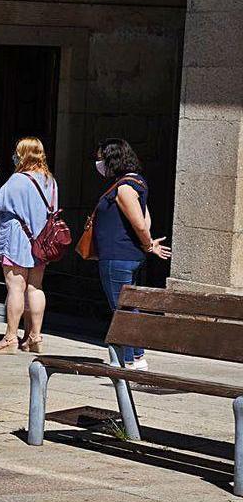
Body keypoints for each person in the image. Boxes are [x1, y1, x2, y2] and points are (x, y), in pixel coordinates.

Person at [92, 138, 170, 370]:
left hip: (118, 256)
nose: (98, 163)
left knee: (121, 309)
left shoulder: (124, 187)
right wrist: (148, 244)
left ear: (111, 159)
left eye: (100, 158)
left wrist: (148, 244)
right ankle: (135, 357)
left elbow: (139, 223)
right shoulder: (137, 183)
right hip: (127, 256)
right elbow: (145, 219)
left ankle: (130, 360)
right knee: (127, 307)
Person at [0, 137, 58, 354]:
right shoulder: (51, 181)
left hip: (18, 241)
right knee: (36, 287)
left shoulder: (19, 179)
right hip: (42, 242)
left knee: (15, 288)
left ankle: (10, 338)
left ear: (22, 155)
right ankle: (34, 337)